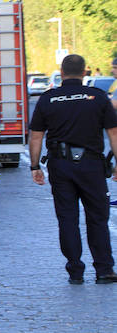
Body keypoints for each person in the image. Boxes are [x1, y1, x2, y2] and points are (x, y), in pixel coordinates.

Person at [29, 53, 117, 284]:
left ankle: (75, 271)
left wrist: (35, 166)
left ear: (62, 71)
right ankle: (104, 269)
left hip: (60, 165)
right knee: (97, 217)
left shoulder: (48, 98)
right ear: (84, 72)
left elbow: (36, 135)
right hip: (92, 166)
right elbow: (114, 133)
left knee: (67, 218)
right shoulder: (98, 97)